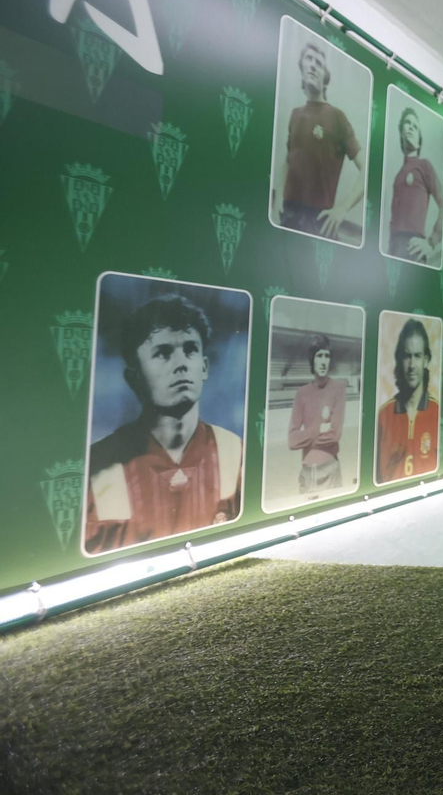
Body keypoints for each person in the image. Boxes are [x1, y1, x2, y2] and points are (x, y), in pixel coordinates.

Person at [85, 293, 242, 553]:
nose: (181, 364)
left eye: (190, 350)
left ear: (204, 367)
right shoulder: (99, 467)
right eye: (163, 353)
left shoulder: (235, 453)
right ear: (134, 377)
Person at [273, 40, 365, 239]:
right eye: (309, 59)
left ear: (325, 78)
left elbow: (366, 171)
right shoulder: (295, 115)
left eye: (319, 63)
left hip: (318, 223)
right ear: (302, 69)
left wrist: (342, 208)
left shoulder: (337, 117)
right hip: (288, 215)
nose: (313, 65)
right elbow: (288, 160)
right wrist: (278, 194)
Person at [376, 318, 439, 483]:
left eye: (417, 356)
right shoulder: (383, 415)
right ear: (399, 360)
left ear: (426, 360)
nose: (412, 365)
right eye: (407, 356)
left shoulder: (438, 413)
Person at [287, 333, 346, 496]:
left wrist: (306, 436)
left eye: (327, 356)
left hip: (330, 469)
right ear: (312, 360)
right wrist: (320, 429)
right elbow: (292, 441)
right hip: (307, 473)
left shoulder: (338, 389)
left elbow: (334, 435)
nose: (323, 361)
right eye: (319, 356)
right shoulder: (301, 393)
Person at [387, 106, 443, 264]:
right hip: (394, 248)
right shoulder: (398, 176)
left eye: (415, 126)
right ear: (401, 132)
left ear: (419, 142)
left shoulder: (424, 165)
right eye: (407, 123)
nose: (411, 127)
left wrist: (432, 241)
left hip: (413, 247)